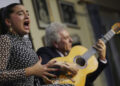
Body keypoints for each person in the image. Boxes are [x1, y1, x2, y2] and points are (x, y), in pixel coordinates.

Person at [0, 3, 72, 86]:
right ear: (8, 21)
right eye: (20, 14)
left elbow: (35, 71)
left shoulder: (27, 42)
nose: (27, 17)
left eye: (28, 14)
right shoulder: (5, 39)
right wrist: (31, 71)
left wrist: (58, 69)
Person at [37, 22, 107, 86]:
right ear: (56, 44)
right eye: (66, 38)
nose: (71, 40)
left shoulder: (73, 53)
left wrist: (102, 58)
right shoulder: (44, 52)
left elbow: (88, 79)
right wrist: (64, 67)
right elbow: (45, 70)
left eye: (69, 37)